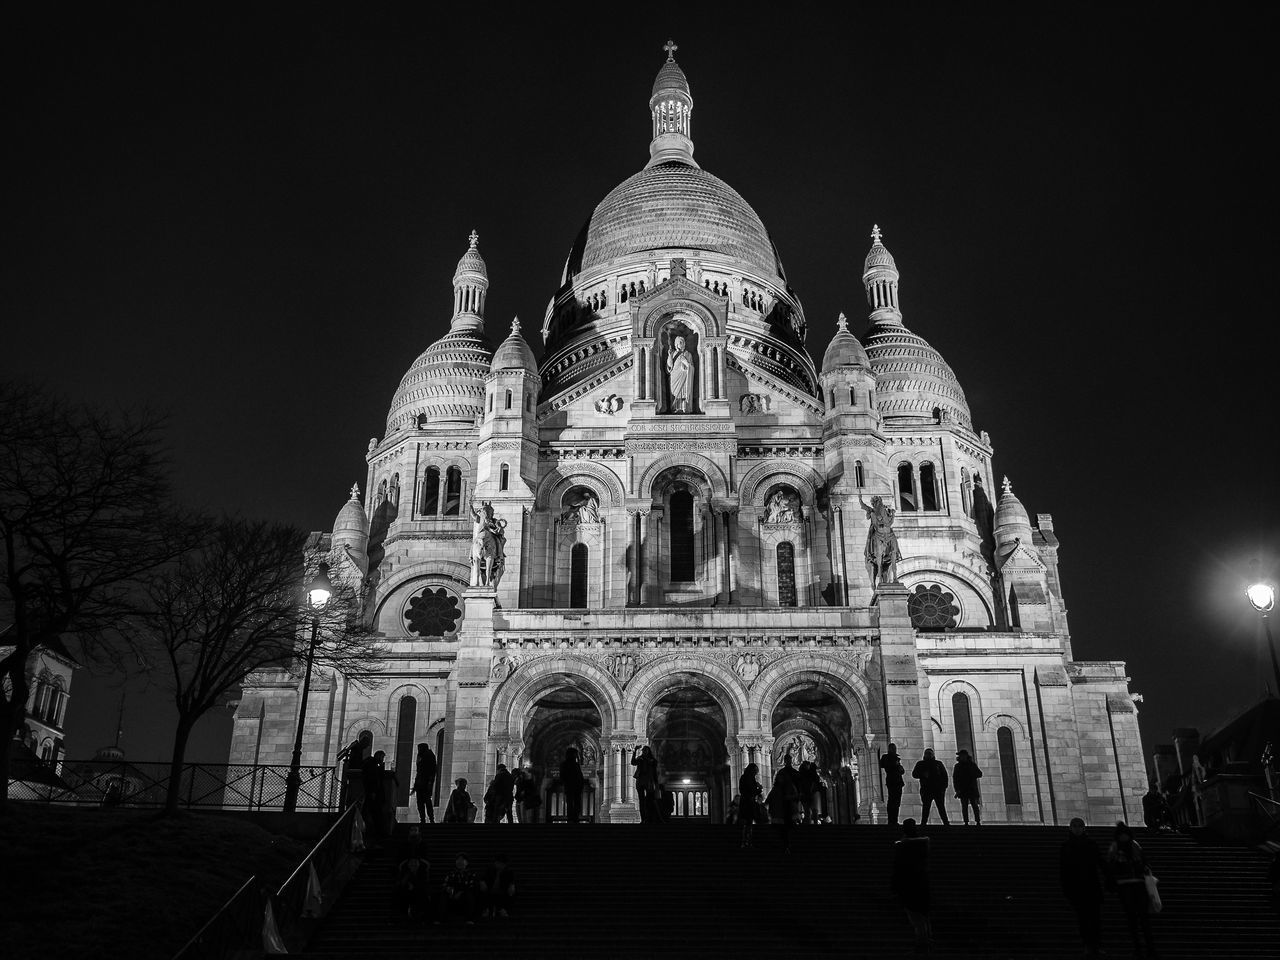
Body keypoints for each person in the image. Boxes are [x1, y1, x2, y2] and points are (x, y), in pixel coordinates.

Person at [1106, 821, 1157, 957]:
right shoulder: (1115, 847)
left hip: (1138, 884)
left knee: (1143, 919)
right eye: (1121, 835)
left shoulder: (1134, 845)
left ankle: (1150, 948)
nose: (1124, 837)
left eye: (1125, 834)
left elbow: (1144, 861)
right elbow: (1110, 866)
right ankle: (1138, 948)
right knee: (1132, 919)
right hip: (1125, 885)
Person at [1060, 817, 1105, 958]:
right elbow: (1063, 870)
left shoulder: (1091, 844)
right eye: (1075, 826)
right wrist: (1067, 889)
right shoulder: (1066, 847)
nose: (1077, 828)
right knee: (1083, 919)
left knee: (1095, 919)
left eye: (1080, 826)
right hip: (1077, 889)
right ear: (1070, 828)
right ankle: (1087, 945)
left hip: (1092, 887)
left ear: (1084, 828)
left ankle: (1096, 945)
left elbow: (1101, 863)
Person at [891, 818, 932, 954]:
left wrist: (895, 885)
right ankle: (926, 941)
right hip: (921, 885)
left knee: (916, 918)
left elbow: (898, 867)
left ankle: (922, 943)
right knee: (923, 917)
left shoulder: (902, 846)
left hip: (909, 886)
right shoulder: (923, 843)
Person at [912, 748, 950, 826]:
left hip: (937, 789)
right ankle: (924, 823)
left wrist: (943, 787)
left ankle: (945, 822)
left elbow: (944, 776)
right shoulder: (921, 764)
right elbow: (914, 774)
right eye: (927, 753)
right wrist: (923, 774)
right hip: (926, 789)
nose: (928, 755)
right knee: (926, 807)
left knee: (941, 807)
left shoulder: (938, 764)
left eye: (930, 753)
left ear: (933, 755)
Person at [441, 852, 482, 925]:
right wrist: (448, 889)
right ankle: (441, 918)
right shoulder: (451, 873)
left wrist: (460, 892)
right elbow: (445, 884)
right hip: (452, 895)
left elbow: (472, 887)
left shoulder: (472, 874)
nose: (459, 862)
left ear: (467, 862)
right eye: (458, 860)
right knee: (442, 895)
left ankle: (469, 918)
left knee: (470, 894)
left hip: (465, 896)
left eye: (462, 860)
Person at [394, 850, 431, 923]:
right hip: (407, 895)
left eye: (415, 862)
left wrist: (415, 887)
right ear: (408, 864)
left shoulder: (423, 874)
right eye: (411, 862)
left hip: (419, 894)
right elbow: (401, 885)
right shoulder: (405, 874)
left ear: (419, 864)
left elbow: (425, 885)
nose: (413, 864)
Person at [952, 749, 983, 825]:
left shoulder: (971, 765)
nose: (960, 757)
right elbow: (955, 779)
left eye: (962, 755)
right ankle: (966, 821)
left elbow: (979, 774)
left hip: (971, 788)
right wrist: (957, 789)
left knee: (974, 805)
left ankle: (977, 821)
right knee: (965, 806)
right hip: (963, 789)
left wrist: (970, 774)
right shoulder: (958, 766)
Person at [632, 745, 660, 824]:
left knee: (649, 801)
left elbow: (654, 773)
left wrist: (656, 783)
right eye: (643, 750)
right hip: (640, 781)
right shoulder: (640, 759)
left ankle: (649, 818)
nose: (644, 752)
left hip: (649, 782)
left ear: (648, 751)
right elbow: (633, 762)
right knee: (641, 801)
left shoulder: (652, 761)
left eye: (645, 750)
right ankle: (643, 819)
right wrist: (634, 751)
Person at [483, 853, 517, 919]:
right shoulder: (490, 870)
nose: (497, 864)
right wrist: (482, 882)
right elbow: (483, 878)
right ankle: (490, 909)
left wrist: (512, 885)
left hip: (502, 893)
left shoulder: (509, 872)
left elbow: (512, 882)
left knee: (509, 894)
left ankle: (500, 909)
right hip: (490, 892)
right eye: (497, 862)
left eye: (500, 863)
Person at [411, 743, 437, 825]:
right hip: (420, 783)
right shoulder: (421, 756)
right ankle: (423, 819)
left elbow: (432, 771)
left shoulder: (429, 756)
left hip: (426, 783)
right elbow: (418, 772)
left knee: (426, 801)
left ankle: (430, 818)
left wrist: (429, 783)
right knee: (420, 802)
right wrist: (415, 786)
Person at [880, 743, 906, 825]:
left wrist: (899, 767)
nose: (894, 750)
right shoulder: (886, 757)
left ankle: (895, 820)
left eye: (894, 748)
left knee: (897, 802)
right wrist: (894, 765)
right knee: (892, 801)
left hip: (898, 782)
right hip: (892, 781)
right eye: (892, 748)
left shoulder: (896, 758)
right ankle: (891, 820)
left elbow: (902, 771)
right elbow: (883, 765)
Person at [738, 763, 763, 849]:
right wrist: (759, 789)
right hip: (749, 803)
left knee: (746, 823)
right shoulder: (750, 778)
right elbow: (751, 791)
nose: (756, 773)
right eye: (756, 771)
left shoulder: (743, 777)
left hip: (744, 802)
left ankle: (745, 841)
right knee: (749, 822)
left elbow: (742, 790)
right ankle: (748, 841)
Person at [560, 747, 585, 824]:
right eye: (575, 754)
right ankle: (573, 817)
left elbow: (579, 776)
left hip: (572, 787)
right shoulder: (571, 764)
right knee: (572, 802)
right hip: (573, 786)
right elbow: (579, 776)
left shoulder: (567, 764)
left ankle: (573, 817)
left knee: (573, 802)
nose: (576, 756)